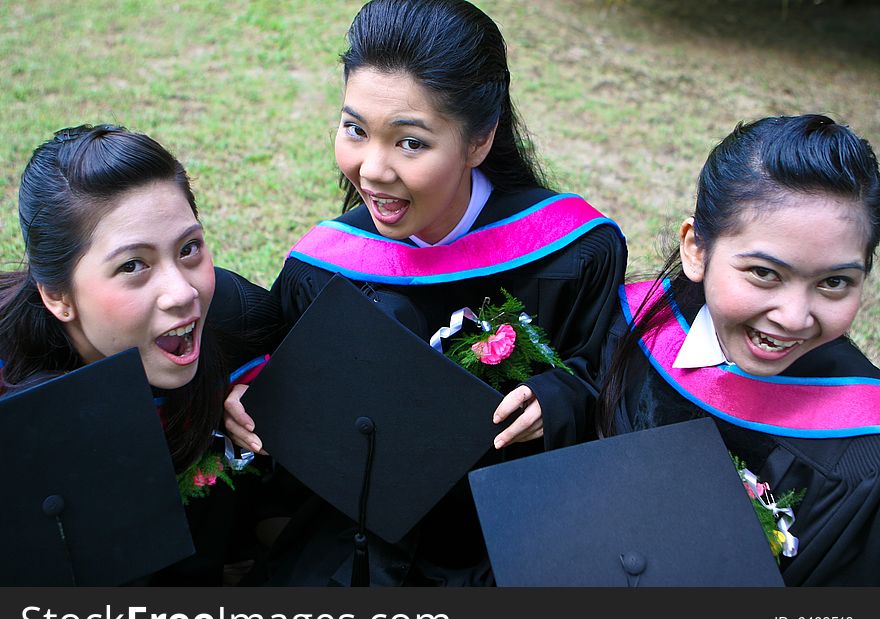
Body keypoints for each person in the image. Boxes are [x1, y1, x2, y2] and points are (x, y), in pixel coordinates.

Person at [225, 0, 627, 586]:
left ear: (480, 139)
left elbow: (610, 380)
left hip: (505, 542)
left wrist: (559, 400)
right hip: (355, 541)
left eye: (410, 143)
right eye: (355, 130)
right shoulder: (327, 265)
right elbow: (282, 384)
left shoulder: (573, 251)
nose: (372, 169)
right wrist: (244, 396)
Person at [596, 114, 880, 586]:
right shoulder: (634, 324)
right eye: (765, 273)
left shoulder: (863, 452)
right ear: (696, 249)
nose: (794, 316)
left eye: (834, 282)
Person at [0, 124, 284, 585]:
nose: (182, 292)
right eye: (133, 265)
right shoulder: (13, 391)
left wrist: (266, 392)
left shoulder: (237, 320)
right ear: (58, 296)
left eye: (189, 248)